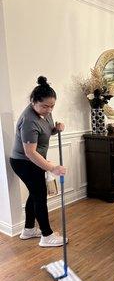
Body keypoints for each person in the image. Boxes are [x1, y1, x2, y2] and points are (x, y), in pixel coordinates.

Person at [10, 76, 67, 247]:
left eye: (52, 106)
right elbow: (30, 153)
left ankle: (28, 230)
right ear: (33, 102)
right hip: (24, 163)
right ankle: (47, 236)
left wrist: (56, 129)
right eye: (45, 106)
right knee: (40, 196)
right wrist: (53, 168)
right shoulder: (28, 120)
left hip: (33, 161)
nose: (49, 110)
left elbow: (45, 133)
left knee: (34, 195)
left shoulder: (44, 112)